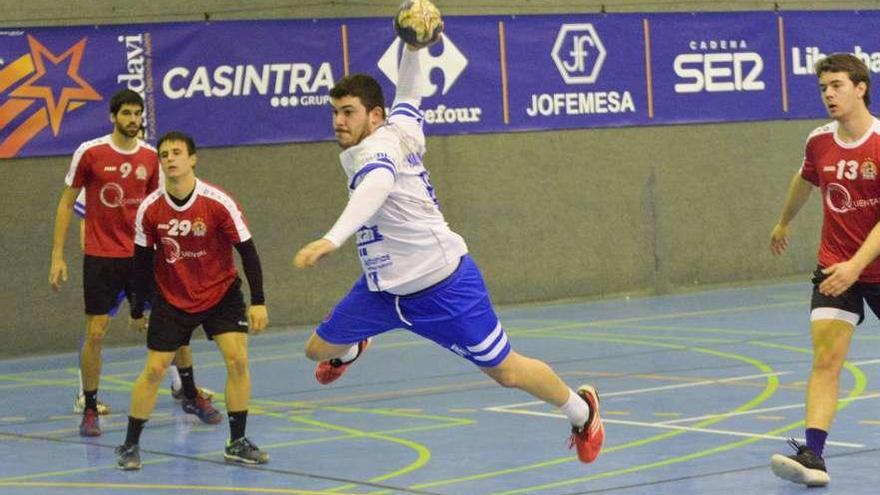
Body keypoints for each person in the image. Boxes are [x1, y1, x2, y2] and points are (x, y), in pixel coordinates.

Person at [292, 5, 604, 465]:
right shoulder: (400, 127)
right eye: (335, 112)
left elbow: (376, 187)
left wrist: (333, 238)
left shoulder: (376, 150)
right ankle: (356, 344)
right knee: (316, 349)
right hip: (383, 291)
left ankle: (583, 413)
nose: (339, 121)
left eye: (348, 112)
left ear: (373, 117)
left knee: (508, 372)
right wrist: (413, 47)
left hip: (443, 286)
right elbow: (411, 92)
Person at [115, 131, 269, 470]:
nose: (170, 158)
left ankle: (237, 441)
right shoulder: (150, 209)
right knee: (154, 369)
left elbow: (248, 252)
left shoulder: (218, 202)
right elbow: (140, 264)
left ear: (192, 158)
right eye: (164, 154)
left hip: (220, 293)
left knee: (238, 361)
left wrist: (258, 301)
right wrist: (137, 307)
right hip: (173, 296)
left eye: (177, 152)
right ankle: (129, 444)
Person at [769, 53, 880, 487]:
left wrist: (857, 264)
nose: (829, 94)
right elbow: (805, 178)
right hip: (835, 270)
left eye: (836, 85)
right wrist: (783, 221)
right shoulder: (819, 141)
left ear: (860, 88)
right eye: (823, 88)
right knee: (826, 360)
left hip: (865, 267)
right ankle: (814, 455)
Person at [48, 89, 174, 437]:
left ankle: (187, 389)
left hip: (141, 256)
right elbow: (65, 204)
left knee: (170, 321)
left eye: (138, 114)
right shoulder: (89, 153)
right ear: (113, 117)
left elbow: (157, 208)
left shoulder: (151, 157)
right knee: (96, 333)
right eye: (127, 114)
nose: (134, 120)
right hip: (102, 258)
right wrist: (58, 256)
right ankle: (89, 405)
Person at [70, 191, 217, 418]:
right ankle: (84, 397)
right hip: (109, 263)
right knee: (96, 331)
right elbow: (85, 222)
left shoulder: (152, 170)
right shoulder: (97, 169)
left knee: (172, 321)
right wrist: (94, 261)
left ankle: (181, 386)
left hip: (144, 262)